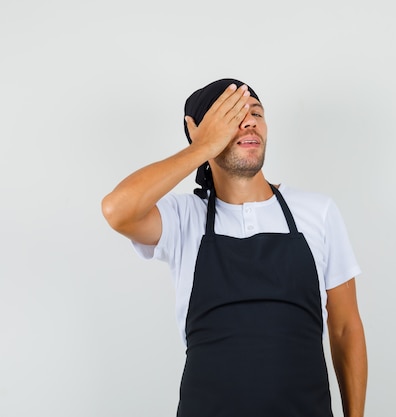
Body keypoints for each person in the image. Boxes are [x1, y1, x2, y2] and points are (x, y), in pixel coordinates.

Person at [101, 78, 367, 417]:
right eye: (231, 116)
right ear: (203, 133)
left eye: (256, 111)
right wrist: (200, 149)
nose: (250, 120)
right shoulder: (184, 218)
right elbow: (117, 210)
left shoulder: (317, 211)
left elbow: (346, 328)